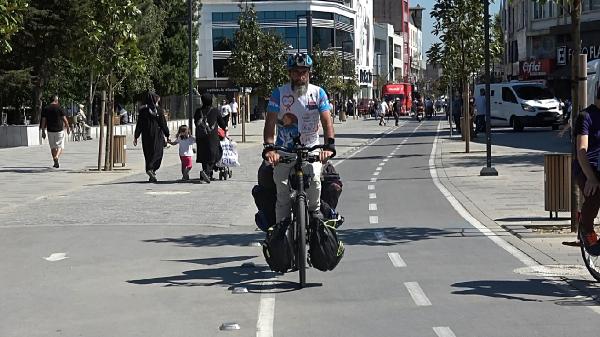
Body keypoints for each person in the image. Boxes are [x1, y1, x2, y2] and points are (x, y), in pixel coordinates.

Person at [263, 52, 335, 225]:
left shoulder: (318, 93)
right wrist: (269, 147)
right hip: (284, 150)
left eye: (304, 72)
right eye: (295, 72)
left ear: (309, 73)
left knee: (316, 181)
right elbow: (270, 122)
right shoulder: (279, 93)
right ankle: (280, 232)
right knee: (281, 190)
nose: (300, 76)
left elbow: (327, 121)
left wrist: (329, 145)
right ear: (289, 73)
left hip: (311, 148)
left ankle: (315, 211)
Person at [574, 85, 600, 255]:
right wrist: (590, 177)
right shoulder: (586, 117)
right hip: (587, 168)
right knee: (595, 193)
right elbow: (581, 149)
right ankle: (586, 228)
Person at [134, 91, 170, 183]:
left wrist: (136, 136)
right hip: (156, 135)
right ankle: (152, 169)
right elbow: (163, 123)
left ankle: (151, 172)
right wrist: (167, 134)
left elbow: (139, 124)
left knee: (148, 154)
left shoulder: (142, 111)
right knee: (158, 153)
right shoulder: (158, 110)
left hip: (146, 136)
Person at [194, 93, 228, 183]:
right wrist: (225, 128)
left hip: (201, 137)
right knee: (214, 154)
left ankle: (206, 173)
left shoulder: (198, 111)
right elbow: (221, 122)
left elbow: (195, 123)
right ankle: (207, 173)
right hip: (212, 137)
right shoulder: (215, 111)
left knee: (204, 155)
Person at [40, 95, 70, 168]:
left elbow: (43, 120)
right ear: (56, 100)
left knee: (53, 147)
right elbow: (64, 119)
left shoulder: (46, 108)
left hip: (50, 130)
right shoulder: (59, 108)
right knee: (60, 146)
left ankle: (55, 163)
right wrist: (68, 127)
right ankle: (56, 157)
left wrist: (43, 131)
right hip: (59, 130)